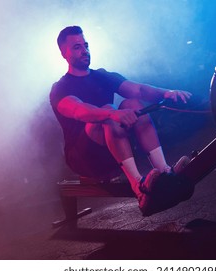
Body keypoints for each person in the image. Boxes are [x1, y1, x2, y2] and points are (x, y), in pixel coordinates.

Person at [49, 26, 192, 215]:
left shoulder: (101, 75)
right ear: (63, 53)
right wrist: (111, 114)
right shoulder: (60, 88)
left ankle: (165, 171)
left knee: (132, 103)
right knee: (108, 110)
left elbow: (138, 90)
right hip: (84, 157)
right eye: (77, 47)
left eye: (86, 45)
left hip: (112, 147)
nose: (85, 50)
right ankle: (139, 188)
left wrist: (167, 92)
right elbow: (79, 110)